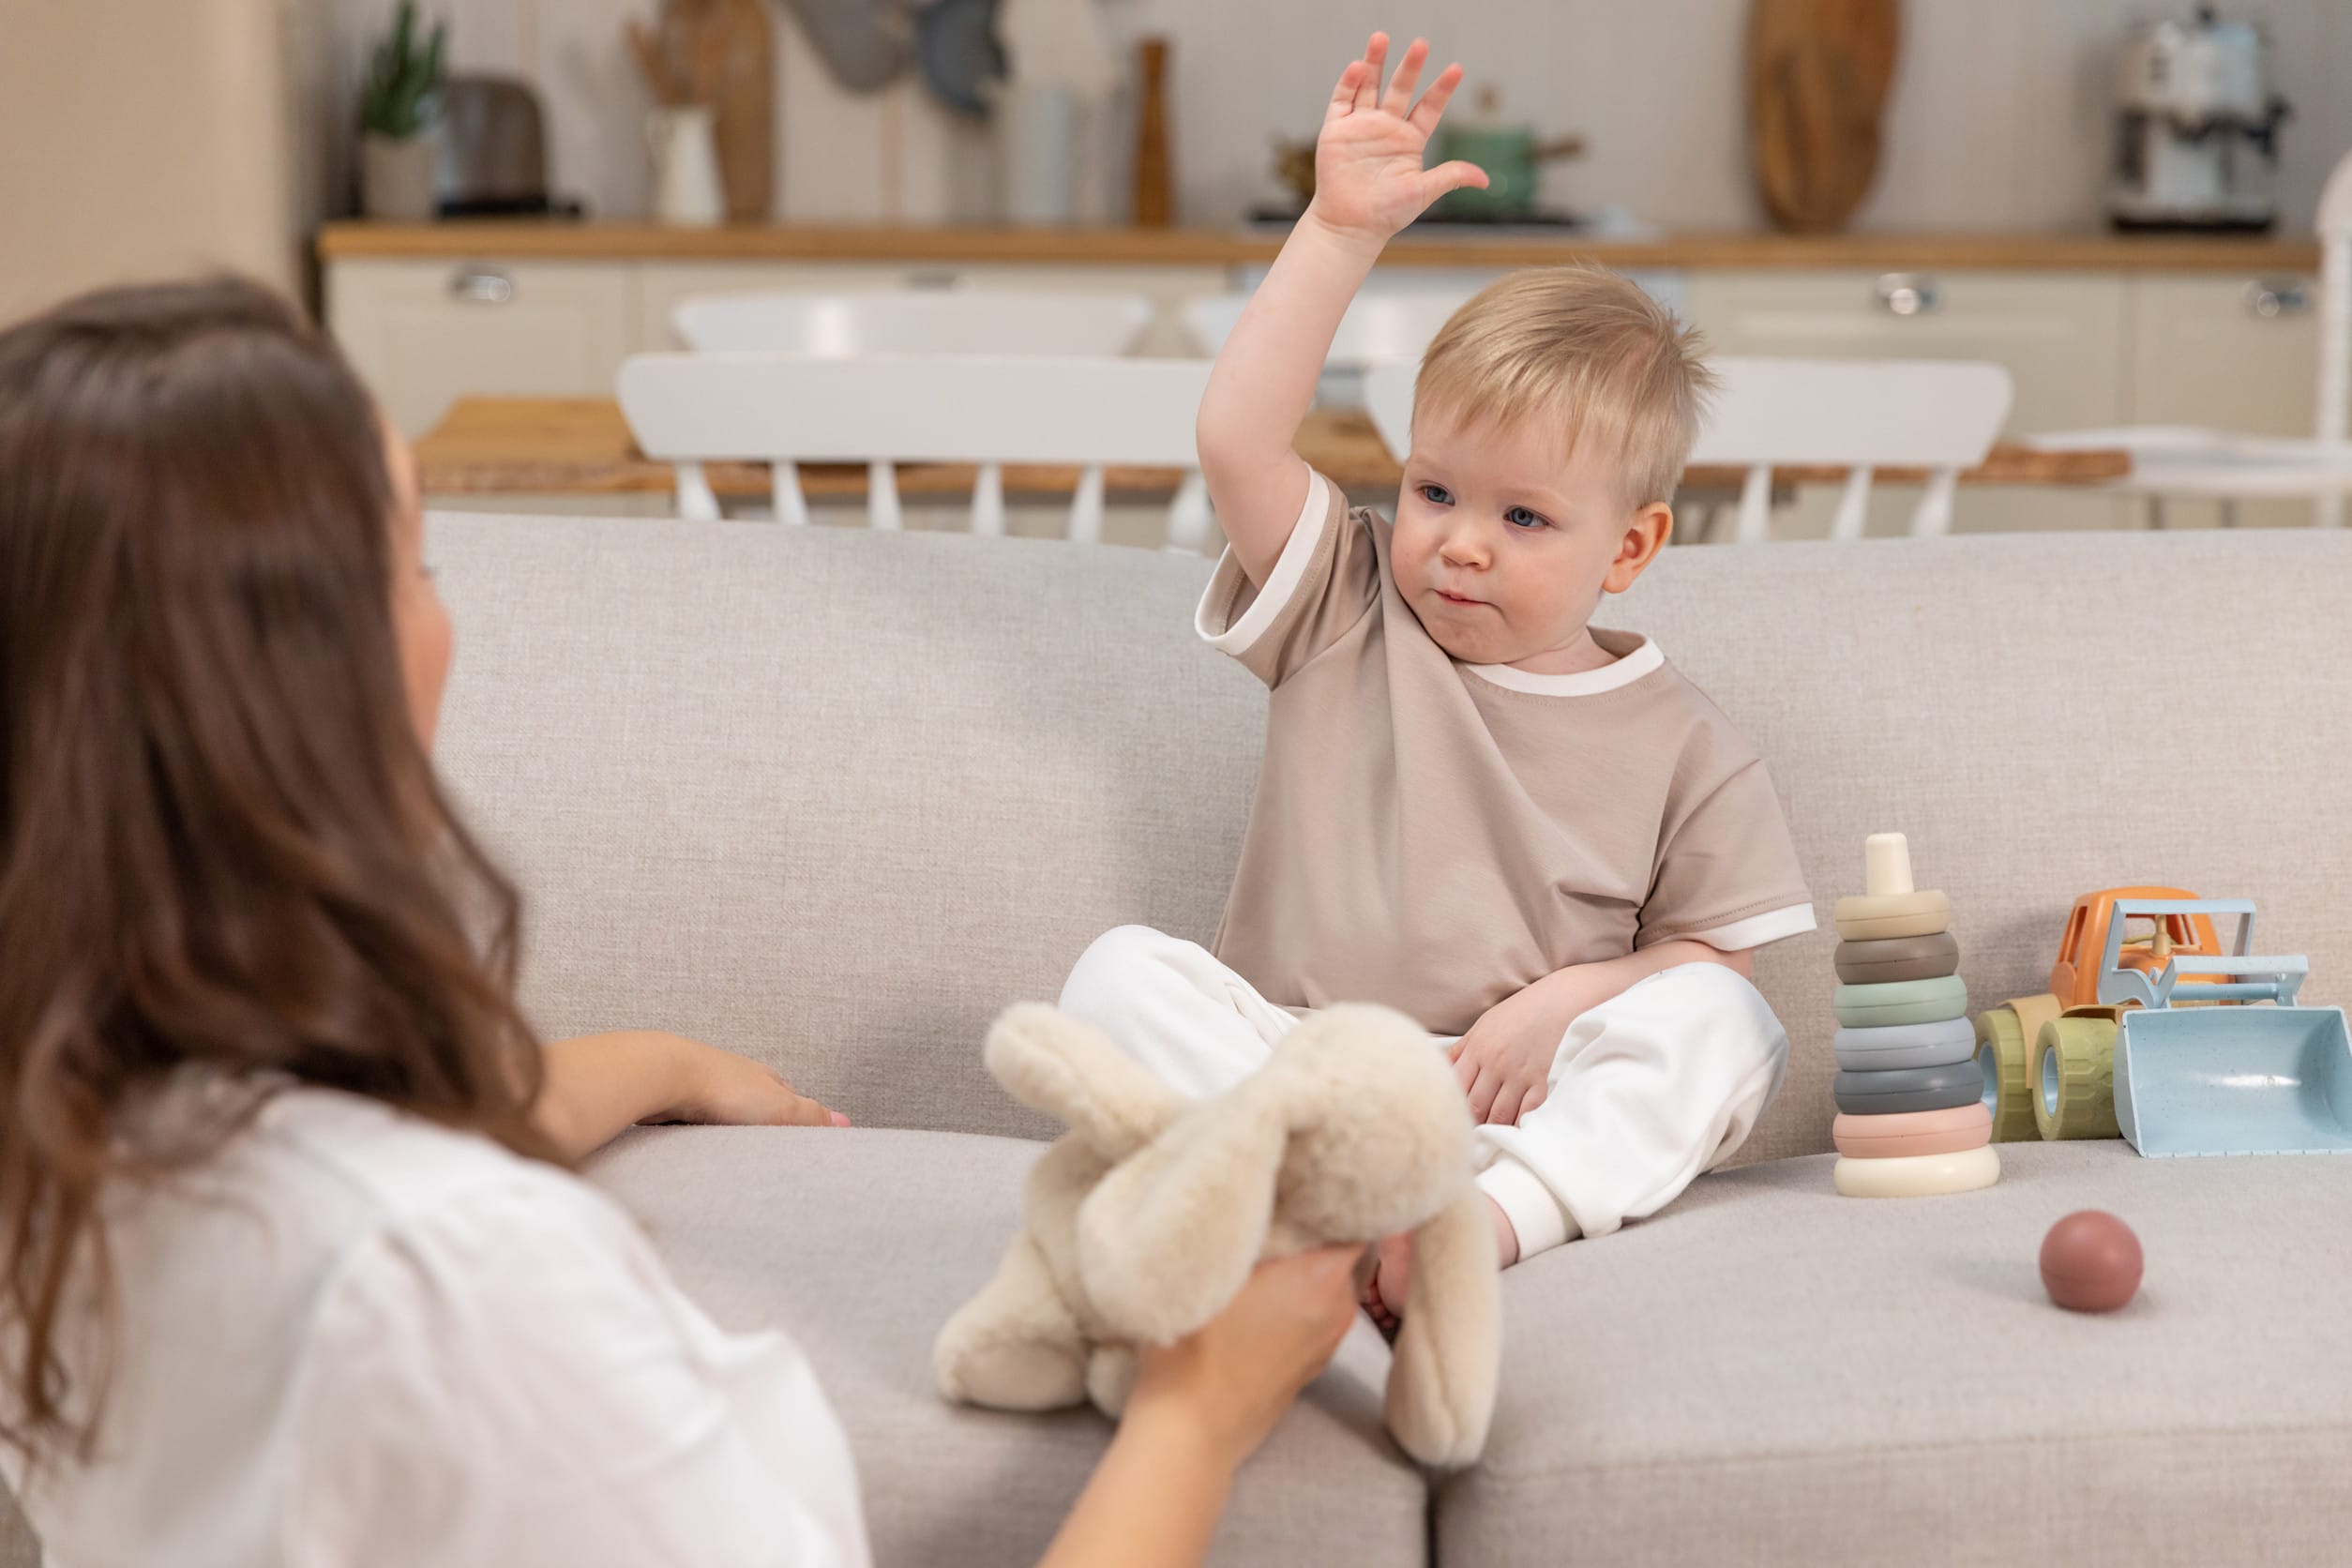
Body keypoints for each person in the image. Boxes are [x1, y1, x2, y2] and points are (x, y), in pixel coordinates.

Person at [0, 277, 1359, 1567]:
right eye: (415, 566)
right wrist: (1198, 1414)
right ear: (290, 690)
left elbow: (384, 1148)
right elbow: (411, 1233)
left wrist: (662, 1059)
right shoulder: (466, 1279)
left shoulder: (66, 1142)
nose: (448, 619)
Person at [1059, 32, 1817, 1326]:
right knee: (1114, 979)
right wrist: (1336, 232)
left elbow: (1716, 971)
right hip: (1301, 1077)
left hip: (1510, 1103)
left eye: (1524, 518)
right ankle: (1310, 1204)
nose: (1461, 542)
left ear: (1629, 549)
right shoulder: (1348, 603)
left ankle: (1485, 1226)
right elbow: (1237, 439)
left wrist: (1570, 1002)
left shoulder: (1690, 744)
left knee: (1728, 1029)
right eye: (1435, 491)